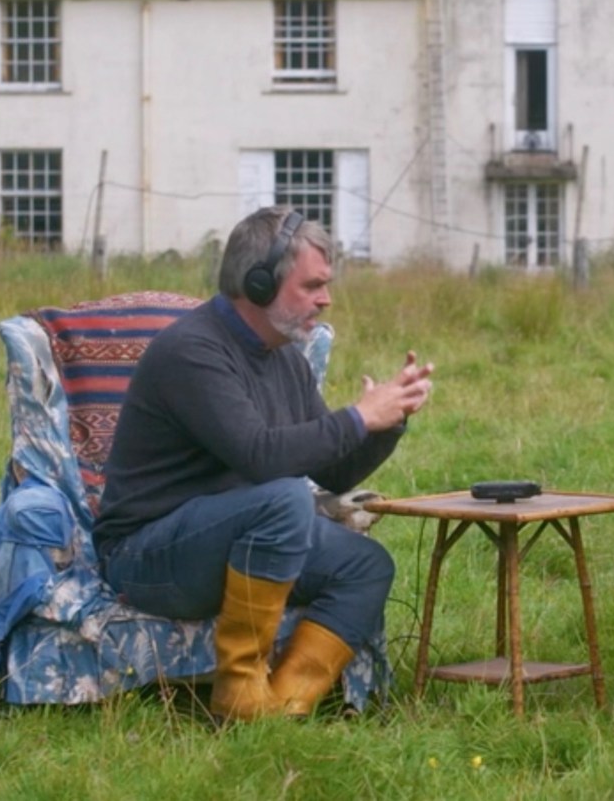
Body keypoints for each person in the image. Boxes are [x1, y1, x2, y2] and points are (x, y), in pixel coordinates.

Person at [94, 207, 434, 722]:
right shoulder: (192, 351)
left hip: (236, 542)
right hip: (145, 558)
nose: (326, 298)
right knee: (282, 499)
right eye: (312, 285)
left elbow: (335, 472)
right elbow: (260, 456)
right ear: (258, 284)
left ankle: (282, 708)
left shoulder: (284, 358)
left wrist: (388, 421)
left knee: (364, 565)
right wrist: (358, 416)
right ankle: (240, 696)